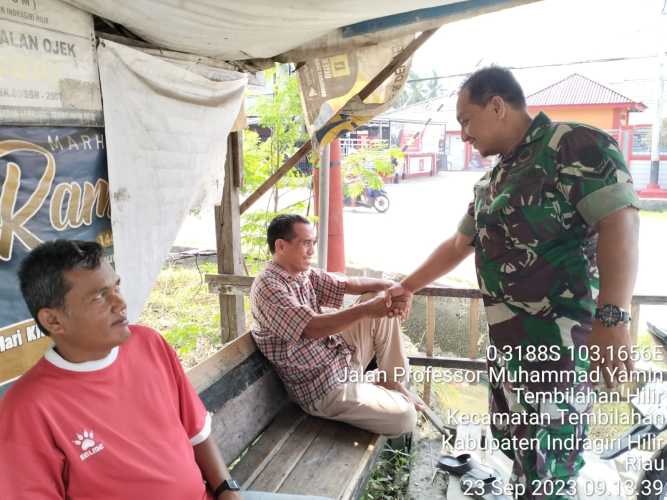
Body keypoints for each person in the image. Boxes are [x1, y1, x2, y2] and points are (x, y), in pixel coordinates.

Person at [386, 67, 640, 498]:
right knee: (520, 455)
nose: (463, 133)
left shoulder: (573, 145)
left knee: (548, 473)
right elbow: (459, 243)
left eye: (466, 119)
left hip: (558, 353)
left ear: (498, 106)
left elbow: (622, 221)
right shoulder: (493, 179)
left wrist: (613, 319)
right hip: (511, 351)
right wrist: (406, 286)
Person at [0, 240, 329, 500]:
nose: (120, 302)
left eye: (116, 286)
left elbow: (196, 432)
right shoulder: (28, 409)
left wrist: (226, 489)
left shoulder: (148, 344)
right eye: (100, 297)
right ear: (53, 320)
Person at [250, 214, 419, 437]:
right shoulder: (268, 287)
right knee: (406, 418)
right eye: (306, 243)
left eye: (313, 243)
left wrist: (394, 287)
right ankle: (381, 389)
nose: (312, 251)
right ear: (280, 245)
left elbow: (349, 283)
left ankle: (390, 380)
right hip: (323, 388)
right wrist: (368, 309)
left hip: (339, 358)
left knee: (378, 295)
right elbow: (311, 327)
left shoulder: (302, 274)